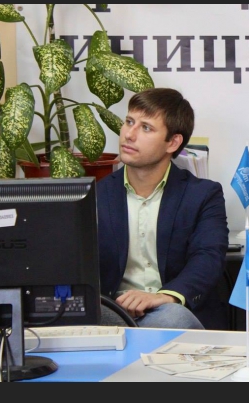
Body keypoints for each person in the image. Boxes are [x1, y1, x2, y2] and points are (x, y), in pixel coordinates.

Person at [97, 87, 229, 330]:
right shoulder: (97, 195)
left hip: (174, 309)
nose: (129, 135)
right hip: (114, 314)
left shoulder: (202, 195)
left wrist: (166, 296)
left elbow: (208, 258)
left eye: (146, 128)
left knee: (172, 318)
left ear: (173, 142)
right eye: (129, 122)